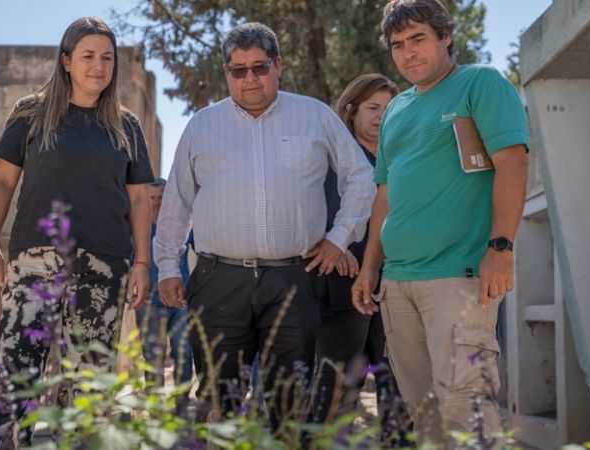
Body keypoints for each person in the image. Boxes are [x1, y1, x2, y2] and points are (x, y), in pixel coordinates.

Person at [154, 22, 374, 430]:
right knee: (221, 400)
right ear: (226, 73)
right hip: (217, 279)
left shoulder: (315, 116)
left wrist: (338, 239)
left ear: (278, 65)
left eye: (259, 67)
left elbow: (361, 178)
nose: (250, 78)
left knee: (288, 399)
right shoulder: (202, 125)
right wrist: (168, 266)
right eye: (239, 70)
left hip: (294, 278)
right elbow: (177, 201)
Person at [0, 17, 153, 447]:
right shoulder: (30, 113)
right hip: (34, 261)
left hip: (103, 266)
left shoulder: (125, 126)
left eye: (107, 58)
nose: (99, 66)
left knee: (89, 381)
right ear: (66, 60)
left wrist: (142, 261)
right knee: (16, 371)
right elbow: (2, 182)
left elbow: (140, 199)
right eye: (88, 56)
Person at [351, 0, 530, 445]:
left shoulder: (480, 83)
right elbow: (385, 195)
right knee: (425, 416)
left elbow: (513, 164)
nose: (408, 53)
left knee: (466, 412)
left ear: (445, 37)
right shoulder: (396, 110)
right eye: (398, 45)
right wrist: (370, 268)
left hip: (459, 278)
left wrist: (501, 248)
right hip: (398, 284)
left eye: (418, 39)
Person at [312, 74, 398, 423]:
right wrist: (336, 244)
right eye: (372, 107)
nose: (380, 116)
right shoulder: (333, 158)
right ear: (351, 110)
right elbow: (311, 210)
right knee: (338, 390)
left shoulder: (398, 159)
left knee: (398, 387)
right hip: (342, 285)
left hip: (393, 284)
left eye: (388, 109)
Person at [135, 177, 193, 387]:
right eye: (152, 198)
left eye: (161, 198)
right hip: (148, 302)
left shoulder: (183, 226)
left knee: (184, 354)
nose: (157, 202)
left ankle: (181, 408)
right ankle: (155, 411)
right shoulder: (136, 229)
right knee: (152, 358)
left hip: (181, 301)